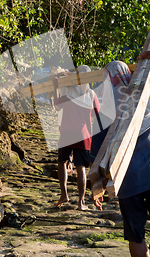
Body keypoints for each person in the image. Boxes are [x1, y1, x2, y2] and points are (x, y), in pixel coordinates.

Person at [94, 53, 150, 257]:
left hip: (125, 180)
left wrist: (96, 185)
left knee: (135, 235)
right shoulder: (148, 98)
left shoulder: (102, 112)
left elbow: (98, 155)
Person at [52, 65, 100, 210]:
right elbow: (96, 115)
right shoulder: (91, 94)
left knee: (61, 162)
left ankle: (64, 195)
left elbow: (57, 106)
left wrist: (55, 88)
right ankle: (81, 202)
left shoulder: (68, 92)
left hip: (67, 132)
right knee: (80, 168)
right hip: (83, 134)